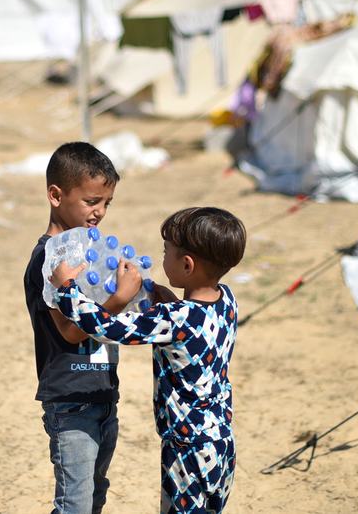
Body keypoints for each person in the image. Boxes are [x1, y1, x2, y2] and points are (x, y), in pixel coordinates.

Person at [49, 207, 246, 513]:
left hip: (187, 448)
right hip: (220, 439)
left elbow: (107, 328)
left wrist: (67, 289)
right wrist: (173, 301)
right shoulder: (227, 299)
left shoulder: (174, 318)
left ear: (187, 264)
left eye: (166, 251)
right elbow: (195, 328)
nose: (162, 257)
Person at [23, 142, 127, 514]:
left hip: (101, 392)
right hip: (70, 402)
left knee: (94, 496)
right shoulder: (48, 259)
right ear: (55, 195)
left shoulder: (89, 254)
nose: (99, 212)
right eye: (91, 201)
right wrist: (116, 302)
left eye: (106, 203)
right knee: (75, 505)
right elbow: (70, 330)